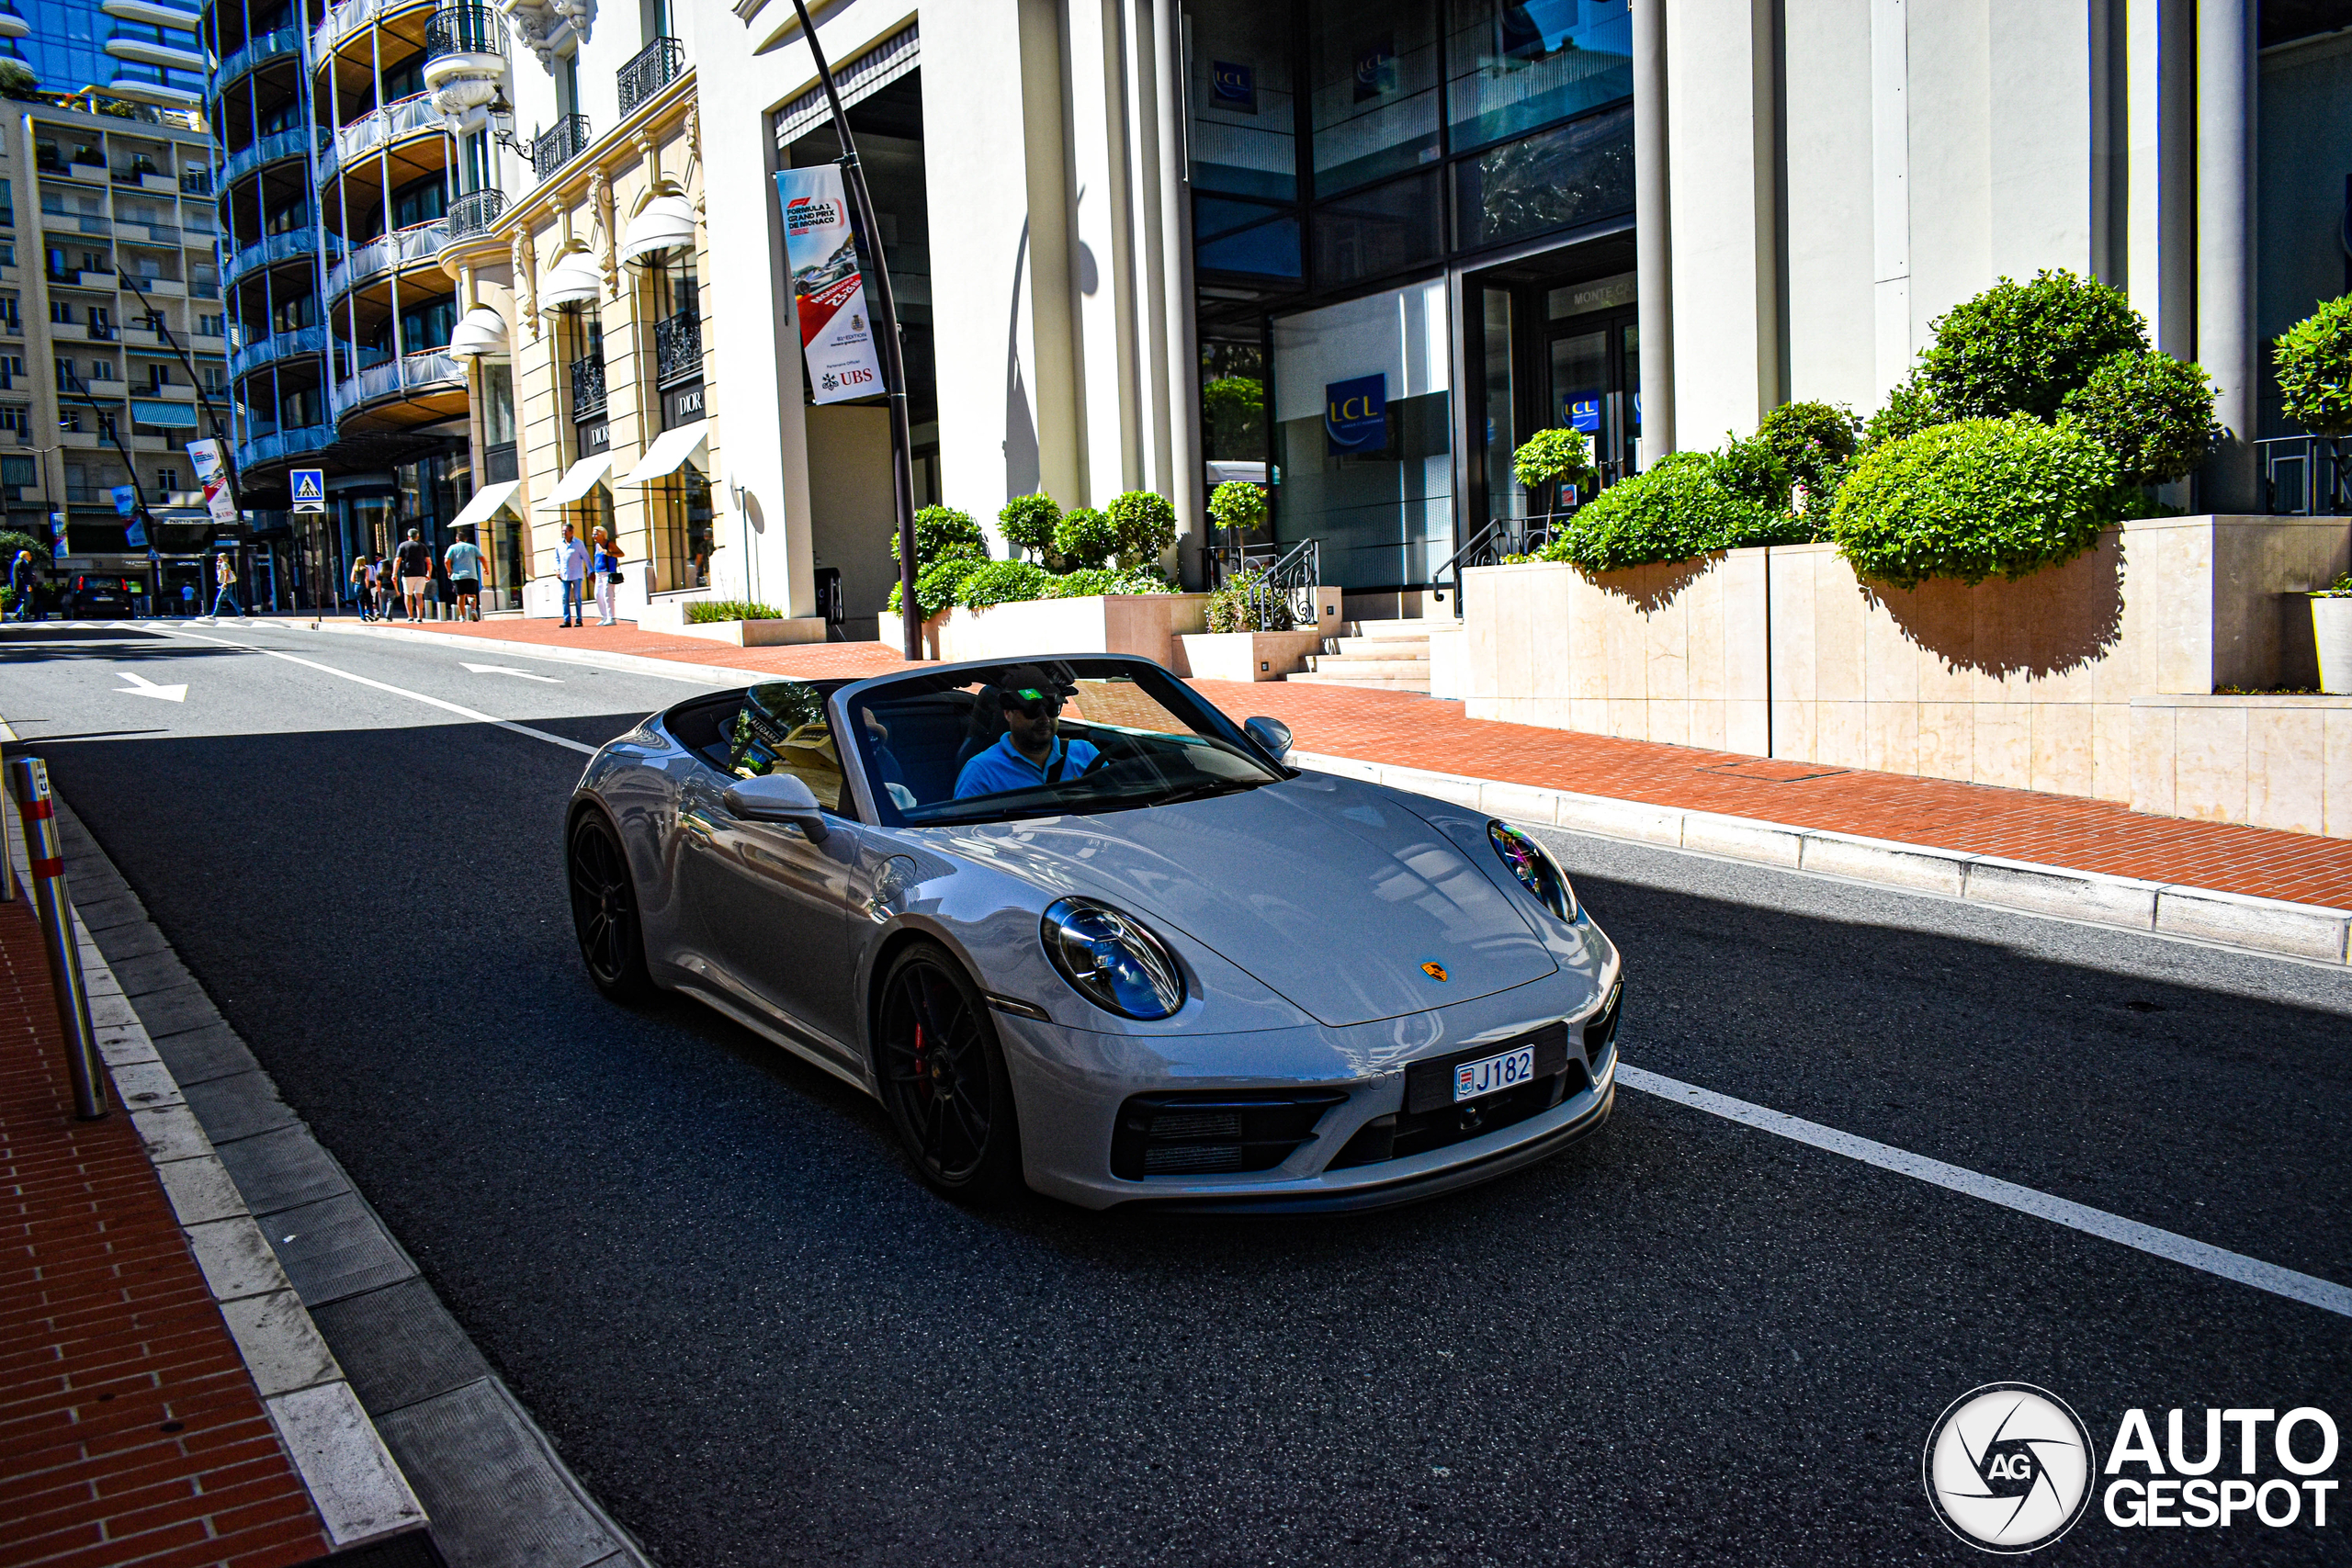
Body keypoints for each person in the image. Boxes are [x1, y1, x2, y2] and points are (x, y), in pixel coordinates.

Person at [954, 667, 1099, 798]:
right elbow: (961, 826)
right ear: (1008, 714)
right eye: (1032, 710)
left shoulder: (1087, 754)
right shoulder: (981, 772)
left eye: (1052, 709)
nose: (1045, 718)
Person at [445, 528, 486, 623]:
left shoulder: (452, 548)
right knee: (471, 594)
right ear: (466, 539)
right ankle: (473, 609)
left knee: (460, 595)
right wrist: (486, 568)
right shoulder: (472, 547)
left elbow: (446, 560)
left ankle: (462, 616)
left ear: (457, 539)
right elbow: (482, 558)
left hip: (458, 575)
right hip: (471, 574)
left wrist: (449, 571)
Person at [556, 523, 590, 627]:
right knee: (565, 597)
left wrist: (590, 570)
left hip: (576, 574)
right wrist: (557, 570)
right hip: (564, 575)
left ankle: (579, 619)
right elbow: (557, 558)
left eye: (566, 531)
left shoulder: (578, 543)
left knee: (577, 597)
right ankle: (567, 620)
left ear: (571, 532)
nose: (564, 533)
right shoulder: (559, 543)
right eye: (563, 531)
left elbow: (586, 557)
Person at [590, 526, 622, 626]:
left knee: (607, 595)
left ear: (602, 534)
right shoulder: (597, 545)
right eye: (593, 534)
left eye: (596, 534)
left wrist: (609, 553)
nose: (594, 536)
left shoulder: (609, 544)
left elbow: (621, 554)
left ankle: (611, 617)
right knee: (598, 595)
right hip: (598, 573)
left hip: (608, 573)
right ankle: (604, 616)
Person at [209, 552, 243, 618]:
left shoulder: (224, 564)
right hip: (226, 584)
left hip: (226, 584)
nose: (217, 558)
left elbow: (226, 574)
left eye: (219, 557)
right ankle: (241, 614)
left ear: (222, 558)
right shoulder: (221, 564)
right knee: (231, 599)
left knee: (219, 599)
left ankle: (214, 614)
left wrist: (225, 583)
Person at [7, 548, 36, 622]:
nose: (31, 557)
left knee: (27, 600)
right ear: (24, 556)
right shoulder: (21, 563)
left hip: (22, 586)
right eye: (29, 555)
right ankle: (23, 616)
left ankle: (18, 614)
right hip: (23, 586)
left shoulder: (20, 562)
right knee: (27, 600)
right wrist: (27, 585)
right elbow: (23, 575)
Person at [347, 554, 372, 619]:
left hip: (357, 586)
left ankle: (362, 617)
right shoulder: (365, 568)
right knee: (368, 600)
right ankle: (368, 612)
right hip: (364, 585)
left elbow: (352, 579)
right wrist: (367, 586)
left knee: (360, 602)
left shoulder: (354, 569)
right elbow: (366, 578)